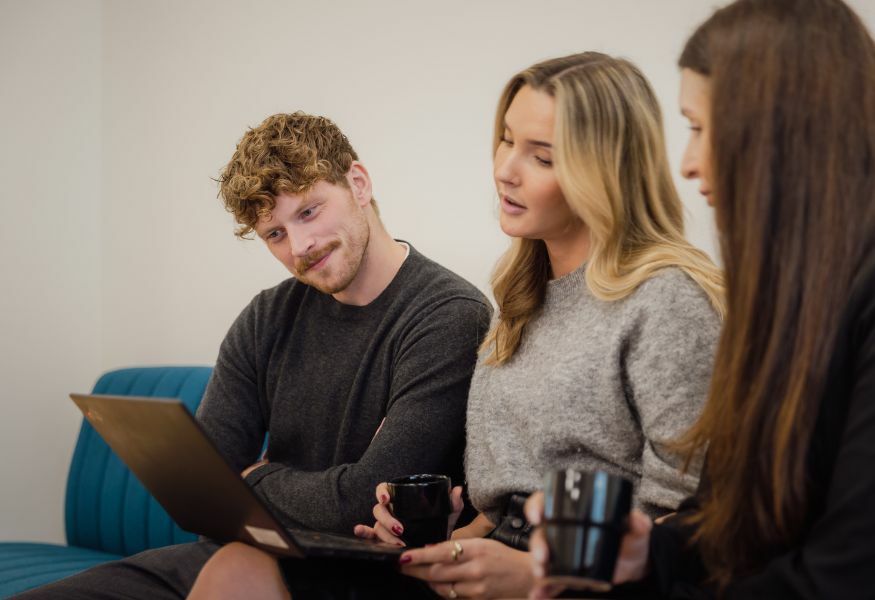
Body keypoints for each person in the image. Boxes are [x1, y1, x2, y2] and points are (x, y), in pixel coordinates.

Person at [191, 52, 725, 600]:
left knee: (241, 576)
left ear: (608, 170)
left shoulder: (665, 301)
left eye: (541, 156)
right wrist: (446, 542)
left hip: (585, 581)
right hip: (495, 569)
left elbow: (685, 526)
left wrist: (535, 573)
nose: (505, 169)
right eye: (506, 140)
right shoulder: (522, 300)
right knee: (236, 571)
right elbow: (501, 506)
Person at [15, 112, 491, 599]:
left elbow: (360, 501)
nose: (300, 246)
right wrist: (273, 494)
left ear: (358, 183)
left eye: (308, 212)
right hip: (243, 553)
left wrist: (255, 478)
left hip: (358, 579)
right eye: (275, 234)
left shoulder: (450, 315)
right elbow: (206, 496)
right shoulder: (267, 316)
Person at [527, 1, 875, 598]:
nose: (687, 164)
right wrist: (645, 553)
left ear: (779, 131)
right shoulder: (785, 304)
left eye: (699, 128)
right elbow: (728, 522)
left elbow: (843, 579)